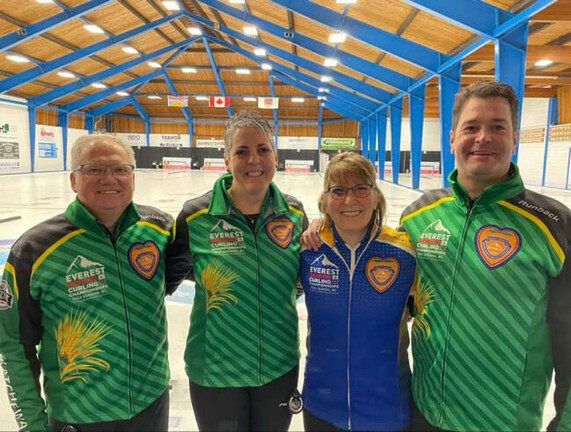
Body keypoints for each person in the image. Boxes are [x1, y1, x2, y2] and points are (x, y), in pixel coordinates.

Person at [399, 81, 571, 431]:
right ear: (452, 137)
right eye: (471, 127)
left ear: (515, 137)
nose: (483, 137)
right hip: (424, 412)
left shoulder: (555, 226)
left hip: (504, 423)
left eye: (497, 127)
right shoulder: (418, 216)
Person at [0, 134, 174, 431]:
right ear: (73, 179)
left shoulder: (160, 228)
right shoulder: (34, 249)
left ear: (133, 176)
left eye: (121, 169)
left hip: (151, 403)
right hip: (79, 415)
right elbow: (15, 344)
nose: (110, 178)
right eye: (94, 169)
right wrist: (32, 424)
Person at [166, 111, 308, 431]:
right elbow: (163, 281)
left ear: (276, 155)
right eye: (242, 151)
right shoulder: (195, 216)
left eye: (263, 149)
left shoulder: (295, 214)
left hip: (278, 365)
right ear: (227, 159)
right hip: (215, 371)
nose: (253, 159)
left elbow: (299, 281)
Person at [300, 152, 416, 431]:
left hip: (387, 409)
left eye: (361, 189)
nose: (350, 201)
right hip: (321, 406)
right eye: (338, 190)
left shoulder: (405, 252)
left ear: (376, 195)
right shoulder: (306, 251)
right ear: (325, 200)